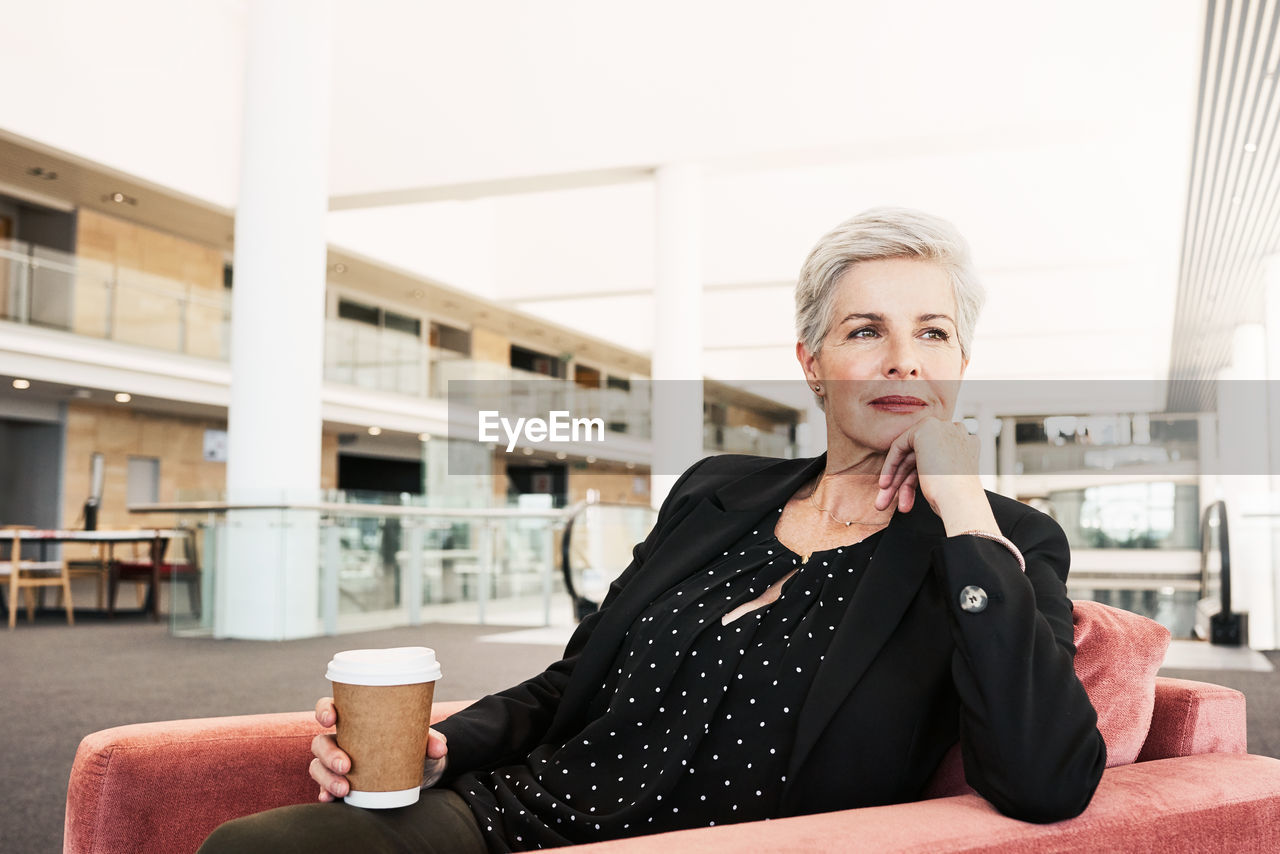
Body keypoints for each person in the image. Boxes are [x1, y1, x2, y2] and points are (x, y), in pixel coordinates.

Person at [200, 207, 1105, 854]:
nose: (904, 357)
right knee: (252, 847)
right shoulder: (717, 493)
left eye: (934, 333)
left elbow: (1045, 779)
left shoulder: (1003, 545)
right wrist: (447, 746)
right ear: (812, 365)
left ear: (960, 364)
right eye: (866, 330)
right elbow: (571, 682)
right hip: (520, 814)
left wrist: (967, 513)